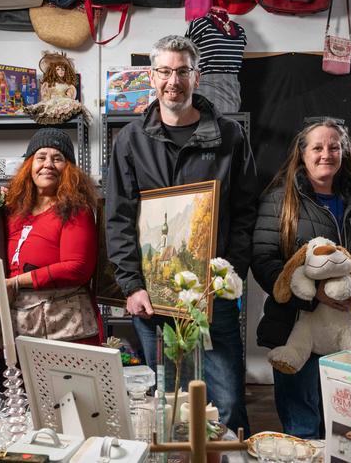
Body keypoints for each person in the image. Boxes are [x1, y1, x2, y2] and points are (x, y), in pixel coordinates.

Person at [105, 35, 257, 434]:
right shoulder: (129, 141)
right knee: (167, 402)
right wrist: (132, 285)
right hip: (152, 297)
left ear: (197, 76)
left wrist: (229, 276)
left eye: (183, 71)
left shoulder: (230, 136)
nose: (174, 80)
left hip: (213, 295)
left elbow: (244, 213)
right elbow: (118, 218)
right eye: (166, 71)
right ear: (152, 77)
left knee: (225, 400)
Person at [251, 117, 351, 439]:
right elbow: (263, 260)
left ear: (344, 152)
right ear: (302, 153)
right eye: (317, 147)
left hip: (347, 333)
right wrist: (311, 295)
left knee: (346, 427)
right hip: (296, 328)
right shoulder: (279, 200)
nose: (326, 154)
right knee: (303, 429)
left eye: (334, 147)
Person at [0, 128, 102, 367]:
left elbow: (78, 268)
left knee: (57, 400)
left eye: (58, 158)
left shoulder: (77, 210)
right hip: (11, 324)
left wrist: (16, 282)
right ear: (29, 165)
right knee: (12, 398)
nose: (48, 164)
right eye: (41, 157)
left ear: (69, 169)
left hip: (60, 325)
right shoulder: (13, 210)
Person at [185, 6, 247, 113]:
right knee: (208, 124)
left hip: (232, 87)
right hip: (206, 85)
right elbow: (184, 52)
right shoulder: (200, 24)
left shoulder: (240, 30)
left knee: (227, 125)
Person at [26, 52, 84, 125]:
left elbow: (71, 97)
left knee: (67, 108)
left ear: (66, 71)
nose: (61, 71)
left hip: (63, 101)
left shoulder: (68, 85)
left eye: (63, 69)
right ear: (53, 71)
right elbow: (46, 97)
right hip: (51, 102)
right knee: (48, 110)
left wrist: (69, 95)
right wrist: (46, 98)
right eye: (58, 69)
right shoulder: (49, 84)